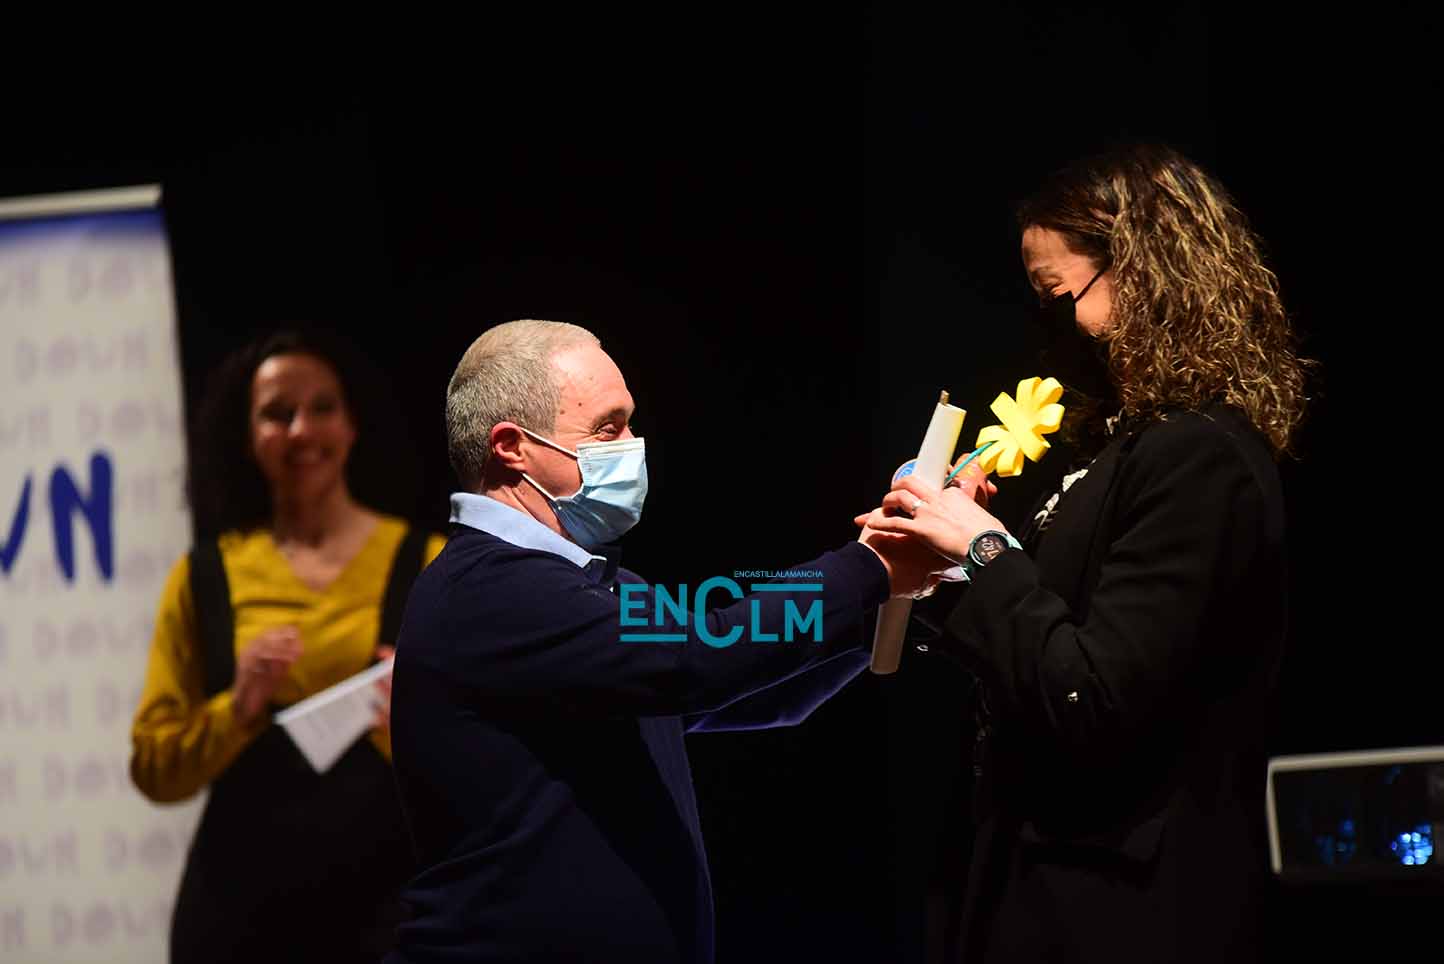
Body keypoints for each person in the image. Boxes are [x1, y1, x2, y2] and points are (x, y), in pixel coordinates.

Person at [856, 144, 1310, 962]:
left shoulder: (1200, 456)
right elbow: (1047, 641)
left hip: (1126, 910)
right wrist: (937, 566)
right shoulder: (1123, 447)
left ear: (1143, 271)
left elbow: (1092, 696)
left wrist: (984, 549)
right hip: (1041, 885)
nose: (1055, 326)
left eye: (1059, 294)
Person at [385, 319, 944, 964]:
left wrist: (889, 592)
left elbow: (754, 692)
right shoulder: (489, 587)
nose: (634, 446)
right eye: (607, 429)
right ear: (512, 447)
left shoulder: (597, 583)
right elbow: (698, 657)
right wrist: (868, 568)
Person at [130, 330, 446, 964]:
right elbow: (154, 768)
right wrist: (236, 708)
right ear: (248, 436)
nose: (301, 430)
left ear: (352, 424)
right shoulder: (204, 577)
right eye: (277, 413)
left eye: (322, 407)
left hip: (388, 912)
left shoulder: (429, 564)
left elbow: (495, 754)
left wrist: (415, 727)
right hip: (236, 915)